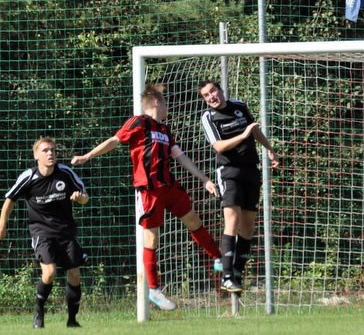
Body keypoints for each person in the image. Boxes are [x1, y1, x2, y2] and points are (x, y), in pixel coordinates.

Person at [71, 83, 222, 311]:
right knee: (151, 238)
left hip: (168, 186)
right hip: (148, 189)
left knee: (193, 219)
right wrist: (88, 155)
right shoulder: (139, 122)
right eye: (165, 102)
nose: (168, 107)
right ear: (156, 102)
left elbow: (181, 157)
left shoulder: (165, 131)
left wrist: (205, 179)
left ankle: (218, 258)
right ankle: (154, 290)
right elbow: (115, 140)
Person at [197, 80, 279, 293]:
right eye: (206, 95)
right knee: (232, 221)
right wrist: (242, 136)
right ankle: (226, 276)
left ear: (221, 90)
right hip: (229, 172)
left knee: (249, 226)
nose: (211, 97)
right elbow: (218, 146)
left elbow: (254, 130)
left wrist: (269, 148)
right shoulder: (208, 117)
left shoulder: (240, 106)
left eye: (213, 91)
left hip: (251, 170)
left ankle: (237, 272)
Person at [0, 137, 89, 329]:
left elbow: (85, 197)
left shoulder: (65, 173)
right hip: (41, 231)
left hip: (65, 231)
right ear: (36, 155)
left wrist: (80, 198)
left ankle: (72, 320)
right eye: (45, 150)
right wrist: (2, 225)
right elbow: (9, 200)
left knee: (74, 274)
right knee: (49, 273)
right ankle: (39, 311)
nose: (50, 154)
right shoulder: (29, 177)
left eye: (53, 150)